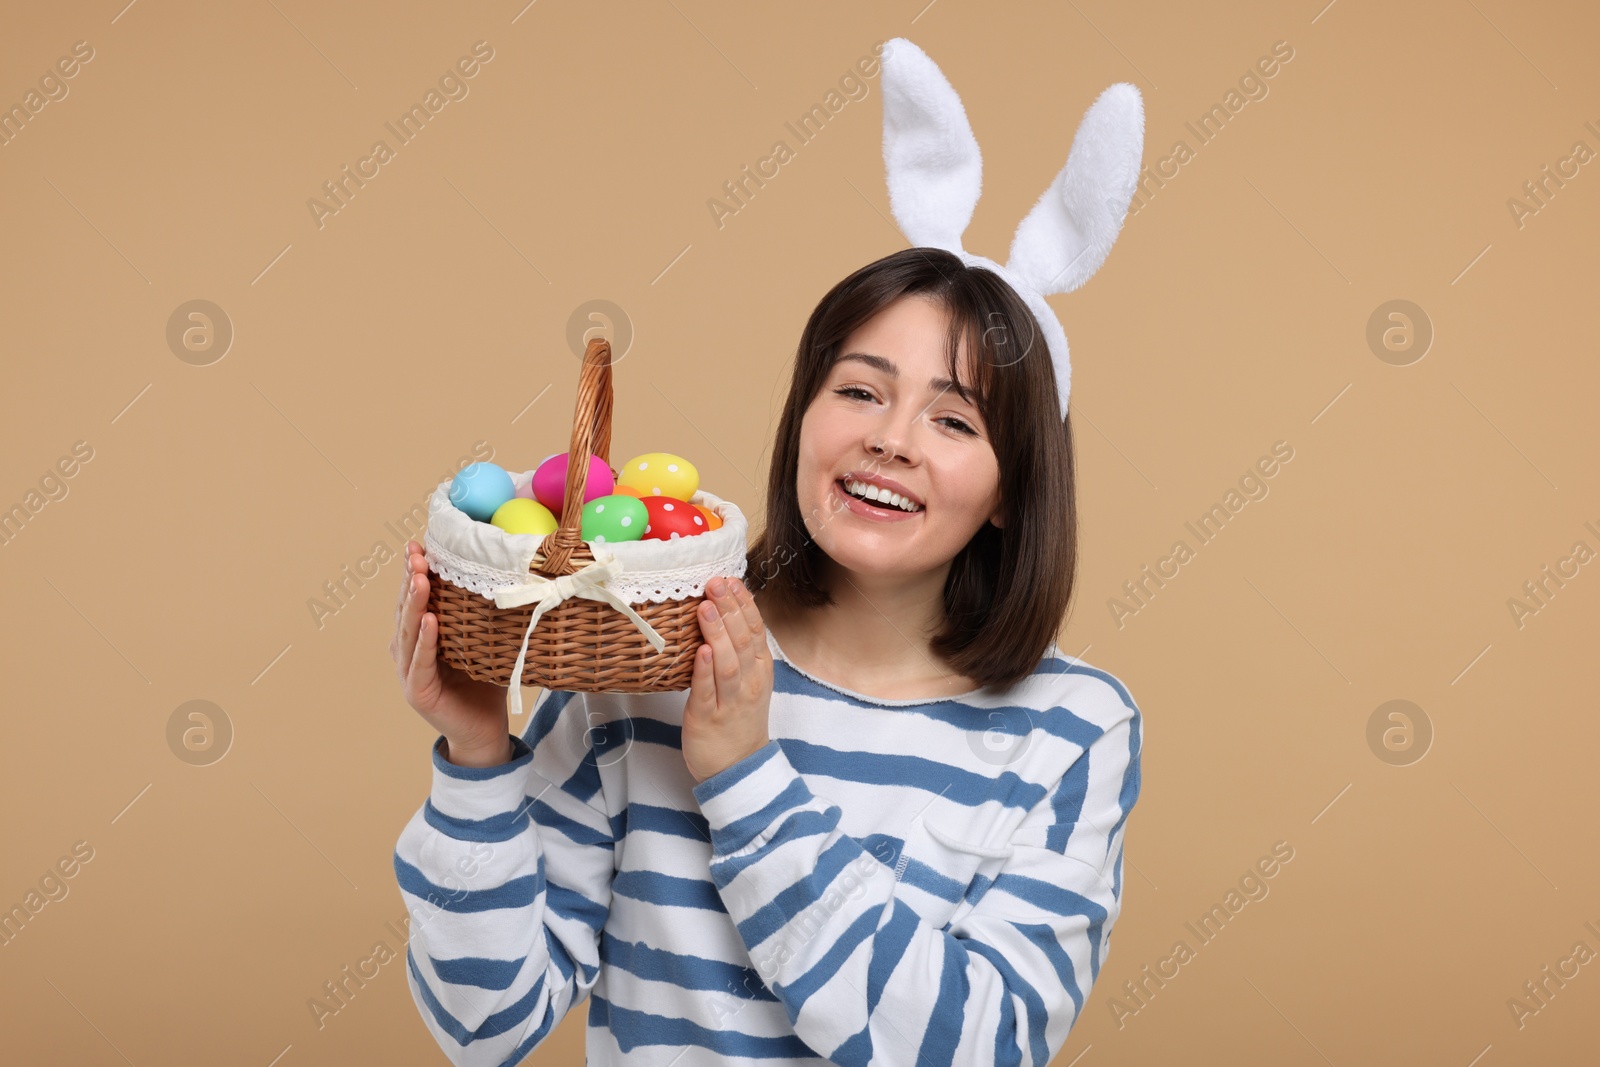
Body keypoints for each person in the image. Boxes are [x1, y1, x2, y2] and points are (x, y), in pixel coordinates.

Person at [390, 247, 1144, 1065]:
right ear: (803, 417)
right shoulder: (646, 651)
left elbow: (979, 1047)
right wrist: (476, 759)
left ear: (1010, 491)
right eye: (859, 390)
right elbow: (482, 1025)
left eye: (954, 420)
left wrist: (744, 776)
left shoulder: (1072, 729)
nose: (890, 440)